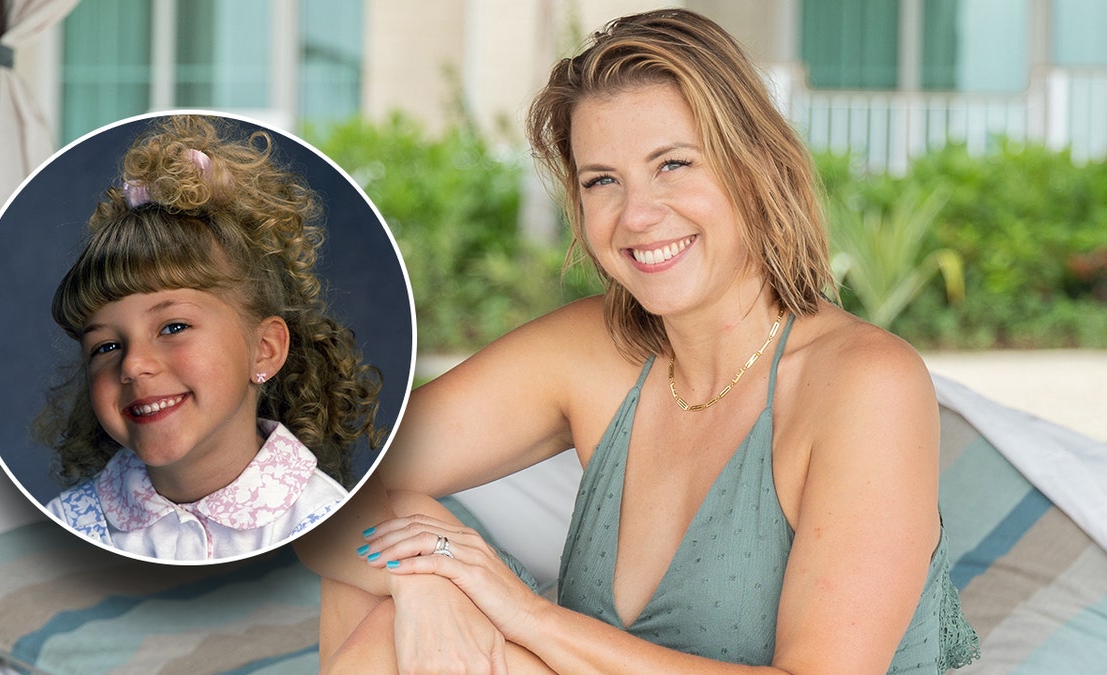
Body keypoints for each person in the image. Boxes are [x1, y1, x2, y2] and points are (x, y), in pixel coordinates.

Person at [298, 8, 979, 673]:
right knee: (388, 588)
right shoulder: (594, 349)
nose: (639, 215)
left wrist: (523, 612)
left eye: (674, 164)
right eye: (603, 181)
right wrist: (429, 580)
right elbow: (312, 472)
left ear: (755, 167)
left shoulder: (866, 383)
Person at [37, 115, 384, 562]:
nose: (133, 365)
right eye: (106, 346)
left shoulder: (327, 526)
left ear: (265, 349)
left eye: (173, 327)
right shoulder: (65, 527)